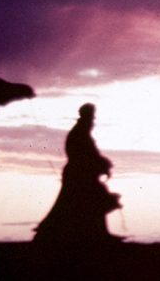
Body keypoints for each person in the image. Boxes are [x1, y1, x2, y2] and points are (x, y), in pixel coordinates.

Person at [34, 103, 122, 244]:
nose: (93, 119)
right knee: (82, 203)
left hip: (82, 174)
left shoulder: (82, 132)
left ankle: (98, 233)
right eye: (92, 115)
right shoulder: (80, 133)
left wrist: (102, 164)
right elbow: (84, 154)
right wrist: (101, 164)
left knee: (84, 203)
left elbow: (91, 154)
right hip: (79, 175)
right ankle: (95, 235)